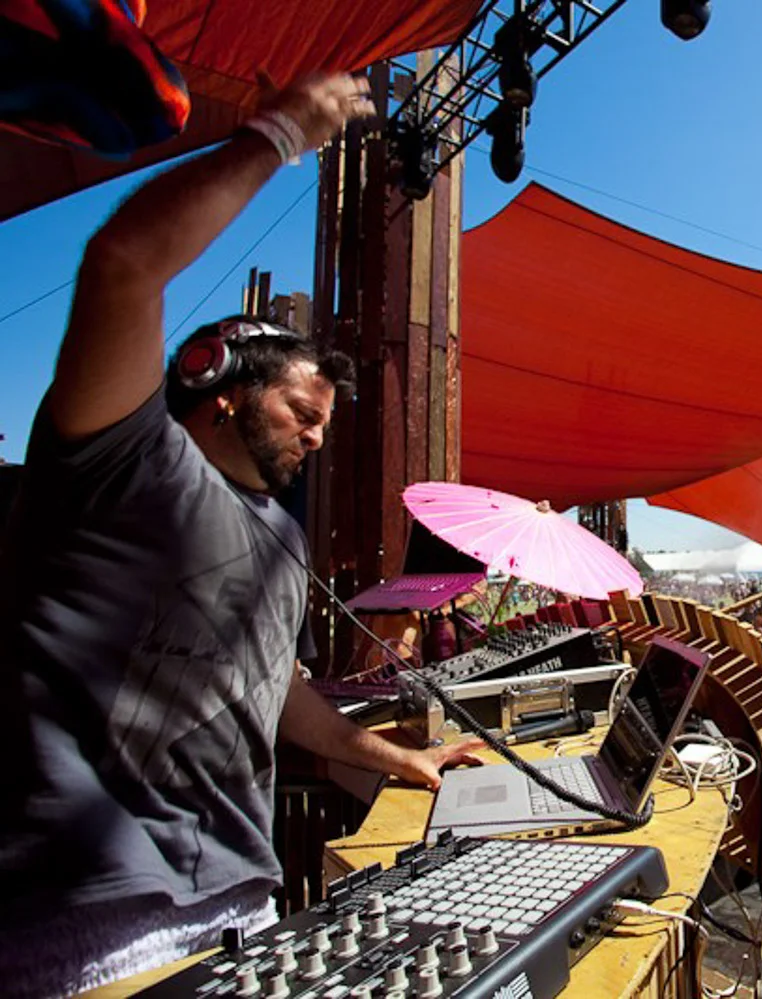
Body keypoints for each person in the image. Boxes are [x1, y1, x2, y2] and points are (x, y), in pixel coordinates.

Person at [0, 74, 486, 999]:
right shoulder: (123, 463)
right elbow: (122, 261)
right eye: (302, 412)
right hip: (84, 925)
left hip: (240, 907)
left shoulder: (282, 540)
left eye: (325, 425)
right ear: (216, 382)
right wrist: (282, 133)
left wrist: (402, 759)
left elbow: (282, 694)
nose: (316, 437)